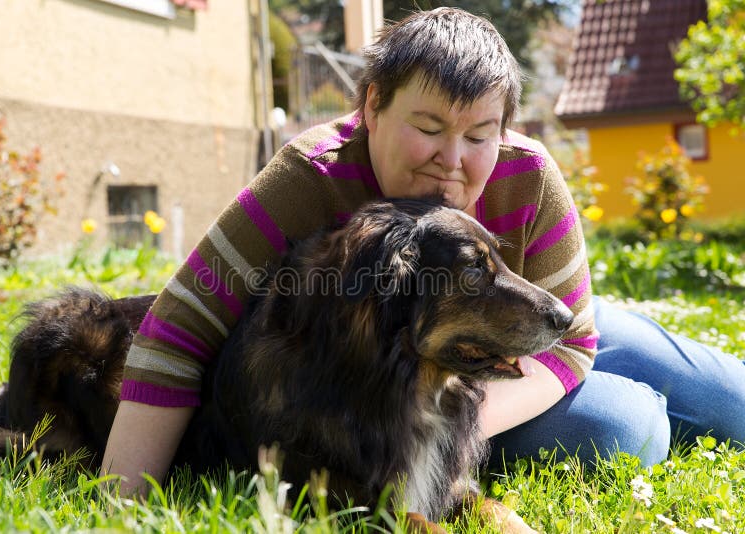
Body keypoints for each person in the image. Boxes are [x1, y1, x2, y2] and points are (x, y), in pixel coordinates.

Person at [102, 7, 745, 497]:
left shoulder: (528, 174)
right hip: (424, 373)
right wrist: (121, 503)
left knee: (726, 404)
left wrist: (437, 436)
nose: (453, 159)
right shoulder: (308, 177)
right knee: (626, 429)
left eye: (480, 135)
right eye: (429, 128)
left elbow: (573, 340)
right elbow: (177, 330)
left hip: (534, 329)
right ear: (373, 107)